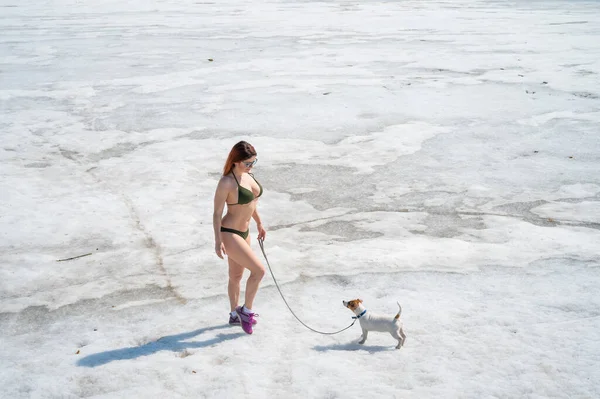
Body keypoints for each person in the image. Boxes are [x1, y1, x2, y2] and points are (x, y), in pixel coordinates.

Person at [213, 141, 266, 334]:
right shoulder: (226, 182)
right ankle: (246, 311)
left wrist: (259, 223)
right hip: (230, 233)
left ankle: (234, 314)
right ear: (235, 161)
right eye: (247, 163)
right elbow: (217, 213)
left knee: (236, 276)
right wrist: (218, 241)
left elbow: (252, 203)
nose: (251, 167)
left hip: (246, 233)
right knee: (259, 271)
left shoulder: (248, 176)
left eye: (253, 162)